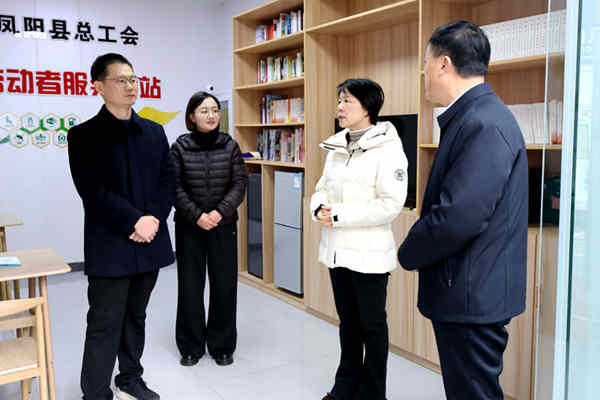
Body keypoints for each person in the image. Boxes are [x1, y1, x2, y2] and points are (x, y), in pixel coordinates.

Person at [397, 21, 528, 400]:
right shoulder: (476, 116)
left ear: (444, 64)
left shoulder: (482, 123)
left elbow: (457, 217)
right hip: (472, 288)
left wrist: (409, 252)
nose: (424, 73)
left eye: (425, 63)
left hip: (472, 293)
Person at [68, 53, 175, 400]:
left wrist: (153, 219)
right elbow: (92, 190)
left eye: (133, 79)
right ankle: (95, 392)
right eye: (120, 80)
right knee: (104, 321)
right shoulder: (83, 135)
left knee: (136, 316)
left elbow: (167, 180)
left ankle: (130, 377)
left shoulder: (154, 132)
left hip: (149, 240)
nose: (130, 86)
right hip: (110, 244)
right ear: (98, 86)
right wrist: (133, 221)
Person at [311, 78, 408, 400]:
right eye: (339, 100)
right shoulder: (336, 147)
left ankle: (373, 393)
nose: (339, 107)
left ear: (367, 108)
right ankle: (345, 386)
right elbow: (322, 188)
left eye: (347, 101)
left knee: (372, 327)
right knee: (348, 324)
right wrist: (319, 208)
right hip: (338, 252)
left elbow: (390, 204)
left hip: (369, 255)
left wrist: (338, 214)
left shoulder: (388, 148)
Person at [170, 91, 247, 368]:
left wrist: (217, 213)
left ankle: (222, 345)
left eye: (215, 110)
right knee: (190, 287)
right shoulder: (179, 147)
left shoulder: (230, 145)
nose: (211, 115)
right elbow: (173, 186)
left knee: (224, 286)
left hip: (223, 226)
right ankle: (190, 346)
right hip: (189, 227)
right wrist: (197, 216)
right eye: (204, 111)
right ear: (192, 116)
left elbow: (239, 184)